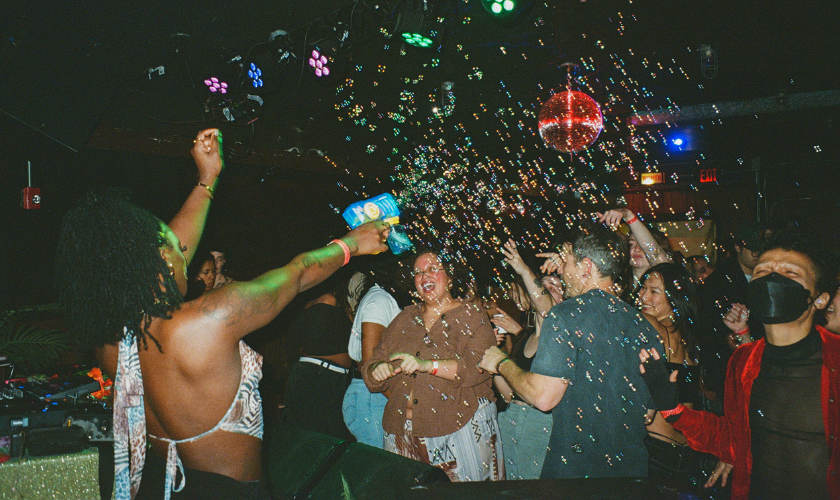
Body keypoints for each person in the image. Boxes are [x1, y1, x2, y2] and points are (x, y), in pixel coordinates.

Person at [54, 128, 391, 500]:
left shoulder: (111, 340)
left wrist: (207, 179)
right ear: (161, 262)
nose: (186, 253)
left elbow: (172, 246)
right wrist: (352, 245)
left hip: (161, 486)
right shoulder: (210, 318)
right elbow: (297, 274)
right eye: (175, 251)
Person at [640, 229, 840, 500]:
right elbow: (734, 441)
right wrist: (672, 407)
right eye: (762, 272)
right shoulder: (744, 361)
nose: (771, 279)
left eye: (790, 274)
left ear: (820, 298)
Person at [480, 222, 662, 479]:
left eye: (566, 264)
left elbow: (544, 398)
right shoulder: (644, 326)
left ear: (586, 267)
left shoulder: (565, 315)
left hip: (578, 471)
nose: (562, 272)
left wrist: (501, 362)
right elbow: (648, 412)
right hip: (631, 472)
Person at [362, 249, 503, 482]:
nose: (424, 276)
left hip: (459, 426)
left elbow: (477, 366)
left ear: (450, 277)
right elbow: (372, 364)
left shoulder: (472, 315)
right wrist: (377, 371)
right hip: (400, 434)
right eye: (418, 272)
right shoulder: (404, 319)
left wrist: (427, 365)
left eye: (432, 269)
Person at [637, 263, 709, 487]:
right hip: (687, 453)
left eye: (654, 291)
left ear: (674, 298)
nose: (643, 296)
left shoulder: (652, 325)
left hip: (658, 452)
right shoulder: (690, 336)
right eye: (642, 288)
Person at [695, 221, 764, 412]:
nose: (757, 253)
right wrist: (709, 377)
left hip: (763, 363)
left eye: (761, 248)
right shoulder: (718, 282)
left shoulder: (768, 275)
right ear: (738, 247)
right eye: (753, 248)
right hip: (731, 370)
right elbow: (706, 330)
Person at [342, 255, 406, 448]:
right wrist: (403, 403)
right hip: (373, 398)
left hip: (374, 397)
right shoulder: (379, 301)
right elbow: (371, 367)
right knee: (383, 471)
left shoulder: (383, 297)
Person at [283, 271, 354, 440]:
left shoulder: (314, 303)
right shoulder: (327, 300)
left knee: (317, 440)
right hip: (320, 376)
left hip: (320, 375)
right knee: (323, 439)